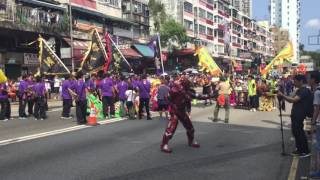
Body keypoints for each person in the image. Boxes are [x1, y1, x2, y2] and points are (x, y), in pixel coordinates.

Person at [160, 77, 209, 153]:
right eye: (187, 83)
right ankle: (164, 145)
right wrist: (172, 105)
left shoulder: (187, 91)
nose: (188, 85)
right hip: (175, 111)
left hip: (182, 111)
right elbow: (167, 98)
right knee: (171, 129)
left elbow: (198, 96)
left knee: (190, 128)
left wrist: (210, 96)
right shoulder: (175, 90)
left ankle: (191, 141)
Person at [277, 74, 311, 157]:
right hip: (296, 114)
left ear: (301, 81)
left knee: (299, 132)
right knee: (295, 132)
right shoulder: (298, 90)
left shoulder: (304, 90)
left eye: (295, 81)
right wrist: (282, 95)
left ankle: (305, 151)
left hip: (300, 114)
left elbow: (293, 100)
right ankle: (299, 149)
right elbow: (290, 98)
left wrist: (282, 95)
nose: (294, 82)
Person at [309, 72, 320, 178]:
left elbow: (317, 109)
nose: (309, 80)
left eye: (310, 78)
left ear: (314, 79)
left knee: (319, 148)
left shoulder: (317, 92)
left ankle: (318, 172)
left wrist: (312, 123)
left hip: (319, 123)